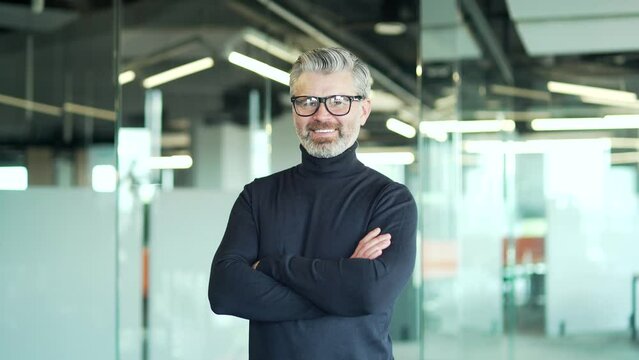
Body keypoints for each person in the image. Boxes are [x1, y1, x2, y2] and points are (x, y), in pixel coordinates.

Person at [208, 47, 417, 360]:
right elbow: (224, 292)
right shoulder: (257, 197)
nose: (322, 115)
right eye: (307, 101)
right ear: (294, 111)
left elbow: (369, 293)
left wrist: (272, 266)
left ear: (363, 110)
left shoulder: (389, 200)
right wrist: (340, 291)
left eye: (338, 101)